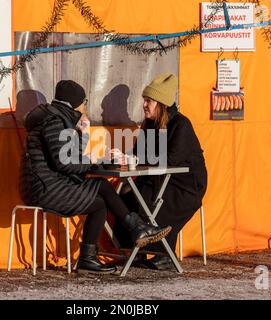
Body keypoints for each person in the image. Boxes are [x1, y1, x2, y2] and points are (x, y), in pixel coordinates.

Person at [19, 80, 171, 274]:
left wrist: (83, 136)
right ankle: (136, 228)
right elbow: (65, 163)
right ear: (74, 103)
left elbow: (72, 158)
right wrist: (94, 160)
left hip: (47, 184)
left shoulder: (56, 118)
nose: (84, 106)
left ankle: (90, 257)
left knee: (100, 201)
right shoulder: (54, 122)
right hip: (44, 188)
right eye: (83, 102)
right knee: (102, 187)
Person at [113, 73, 208, 270]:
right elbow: (139, 153)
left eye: (149, 101)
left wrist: (138, 160)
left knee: (146, 202)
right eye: (144, 100)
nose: (144, 105)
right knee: (123, 198)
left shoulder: (181, 125)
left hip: (186, 186)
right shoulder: (149, 124)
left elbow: (171, 159)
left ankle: (164, 254)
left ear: (162, 104)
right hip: (158, 180)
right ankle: (135, 251)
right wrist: (124, 157)